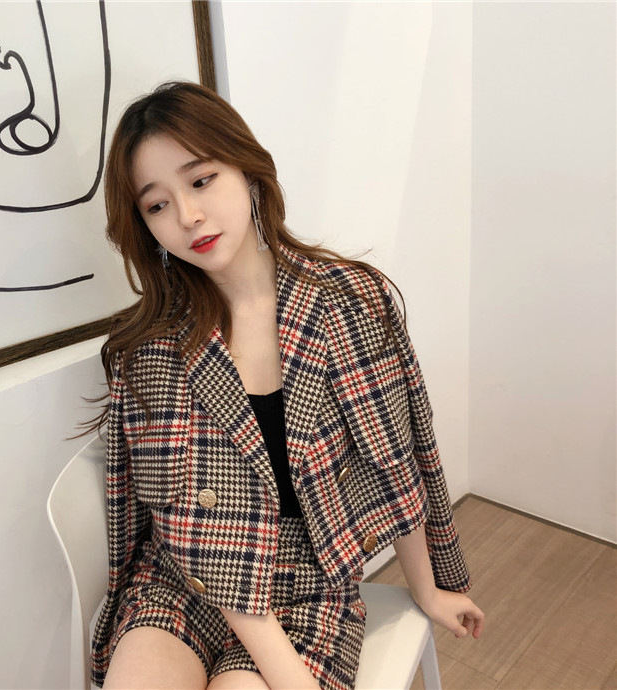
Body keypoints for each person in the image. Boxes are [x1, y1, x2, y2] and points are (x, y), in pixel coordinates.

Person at [89, 80, 484, 690]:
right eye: (157, 205)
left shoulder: (351, 301)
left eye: (201, 180)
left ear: (247, 171)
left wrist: (429, 587)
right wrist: (288, 677)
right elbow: (194, 537)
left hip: (310, 583)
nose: (188, 216)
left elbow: (396, 458)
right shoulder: (151, 349)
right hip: (184, 582)